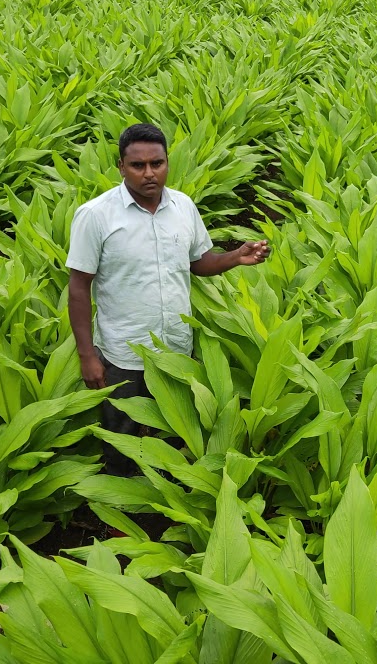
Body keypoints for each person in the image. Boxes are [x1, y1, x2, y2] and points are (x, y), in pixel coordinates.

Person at [65, 123, 270, 477]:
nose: (149, 173)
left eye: (157, 163)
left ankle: (172, 502)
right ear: (121, 167)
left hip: (175, 346)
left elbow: (198, 263)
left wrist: (235, 256)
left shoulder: (183, 207)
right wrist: (87, 355)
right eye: (138, 165)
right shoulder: (96, 215)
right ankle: (121, 504)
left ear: (167, 163)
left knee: (176, 431)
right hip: (123, 352)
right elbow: (79, 286)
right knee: (121, 435)